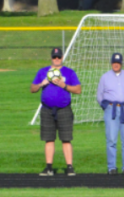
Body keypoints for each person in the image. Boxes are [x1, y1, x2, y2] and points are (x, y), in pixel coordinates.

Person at [31, 47, 81, 177]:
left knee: (66, 139)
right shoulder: (43, 72)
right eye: (54, 57)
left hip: (64, 109)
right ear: (51, 58)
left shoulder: (69, 72)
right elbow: (32, 88)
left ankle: (69, 167)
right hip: (47, 110)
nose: (57, 59)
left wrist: (64, 85)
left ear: (62, 58)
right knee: (49, 139)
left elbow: (78, 90)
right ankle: (49, 168)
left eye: (59, 57)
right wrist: (42, 84)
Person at [96, 52, 124, 175]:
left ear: (121, 63)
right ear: (111, 63)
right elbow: (99, 95)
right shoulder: (105, 77)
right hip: (111, 109)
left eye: (118, 62)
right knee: (111, 139)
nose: (116, 65)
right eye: (114, 62)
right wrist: (106, 107)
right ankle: (111, 167)